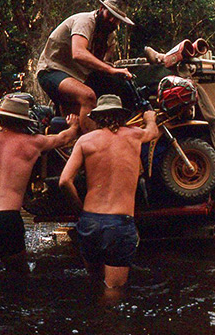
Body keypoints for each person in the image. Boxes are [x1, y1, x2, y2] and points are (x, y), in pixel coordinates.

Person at [0, 96, 79, 278]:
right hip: (7, 217)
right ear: (25, 121)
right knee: (18, 274)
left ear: (0, 119)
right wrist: (74, 125)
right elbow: (63, 139)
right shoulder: (34, 143)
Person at [59, 94, 159, 291]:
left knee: (93, 282)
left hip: (90, 221)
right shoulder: (135, 135)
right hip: (119, 224)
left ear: (96, 118)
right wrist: (150, 119)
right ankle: (111, 321)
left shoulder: (85, 140)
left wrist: (80, 209)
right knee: (113, 290)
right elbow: (153, 133)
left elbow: (64, 181)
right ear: (122, 117)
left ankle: (92, 320)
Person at [36, 0, 135, 133]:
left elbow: (102, 63)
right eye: (110, 14)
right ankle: (91, 146)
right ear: (101, 8)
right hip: (53, 71)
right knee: (87, 96)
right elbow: (78, 53)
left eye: (117, 19)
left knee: (116, 91)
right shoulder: (85, 22)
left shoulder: (110, 37)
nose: (112, 20)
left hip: (80, 76)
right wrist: (110, 69)